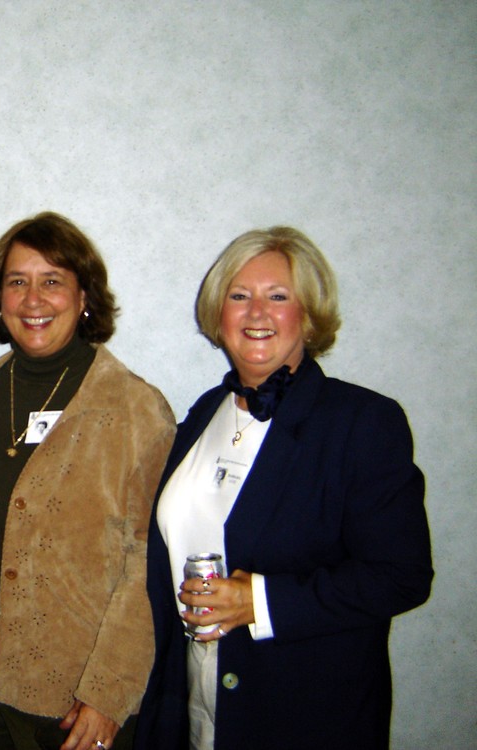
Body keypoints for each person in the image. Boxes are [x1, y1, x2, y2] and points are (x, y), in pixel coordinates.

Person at [134, 227, 433, 750]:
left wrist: (259, 602)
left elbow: (401, 577)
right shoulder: (204, 414)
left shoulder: (363, 421)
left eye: (277, 297)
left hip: (306, 718)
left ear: (308, 315)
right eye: (239, 296)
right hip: (195, 709)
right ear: (218, 313)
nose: (256, 313)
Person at [0, 212, 176, 750]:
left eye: (52, 281)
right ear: (0, 299)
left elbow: (149, 568)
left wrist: (109, 693)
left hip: (74, 704)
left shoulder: (137, 412)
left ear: (84, 295)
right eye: (17, 282)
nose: (33, 299)